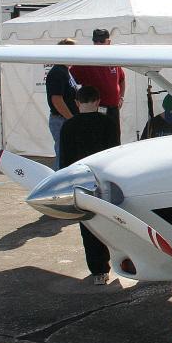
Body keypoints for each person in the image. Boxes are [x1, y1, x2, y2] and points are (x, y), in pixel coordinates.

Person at [59, 85, 119, 285]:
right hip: (104, 182)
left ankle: (99, 271)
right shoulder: (108, 123)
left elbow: (64, 161)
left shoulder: (68, 126)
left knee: (88, 227)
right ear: (98, 102)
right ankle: (122, 260)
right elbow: (114, 154)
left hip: (81, 183)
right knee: (113, 223)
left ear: (77, 103)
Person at [70, 28, 126, 144]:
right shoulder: (86, 60)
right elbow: (70, 80)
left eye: (101, 41)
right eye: (96, 41)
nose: (98, 44)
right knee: (97, 140)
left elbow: (122, 79)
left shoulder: (113, 60)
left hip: (112, 108)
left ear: (108, 42)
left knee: (114, 139)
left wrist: (121, 97)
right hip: (94, 109)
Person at [44, 38, 78, 168]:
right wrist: (71, 119)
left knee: (67, 152)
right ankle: (58, 182)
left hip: (65, 120)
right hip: (61, 120)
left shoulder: (66, 71)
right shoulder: (58, 72)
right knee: (63, 153)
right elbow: (56, 100)